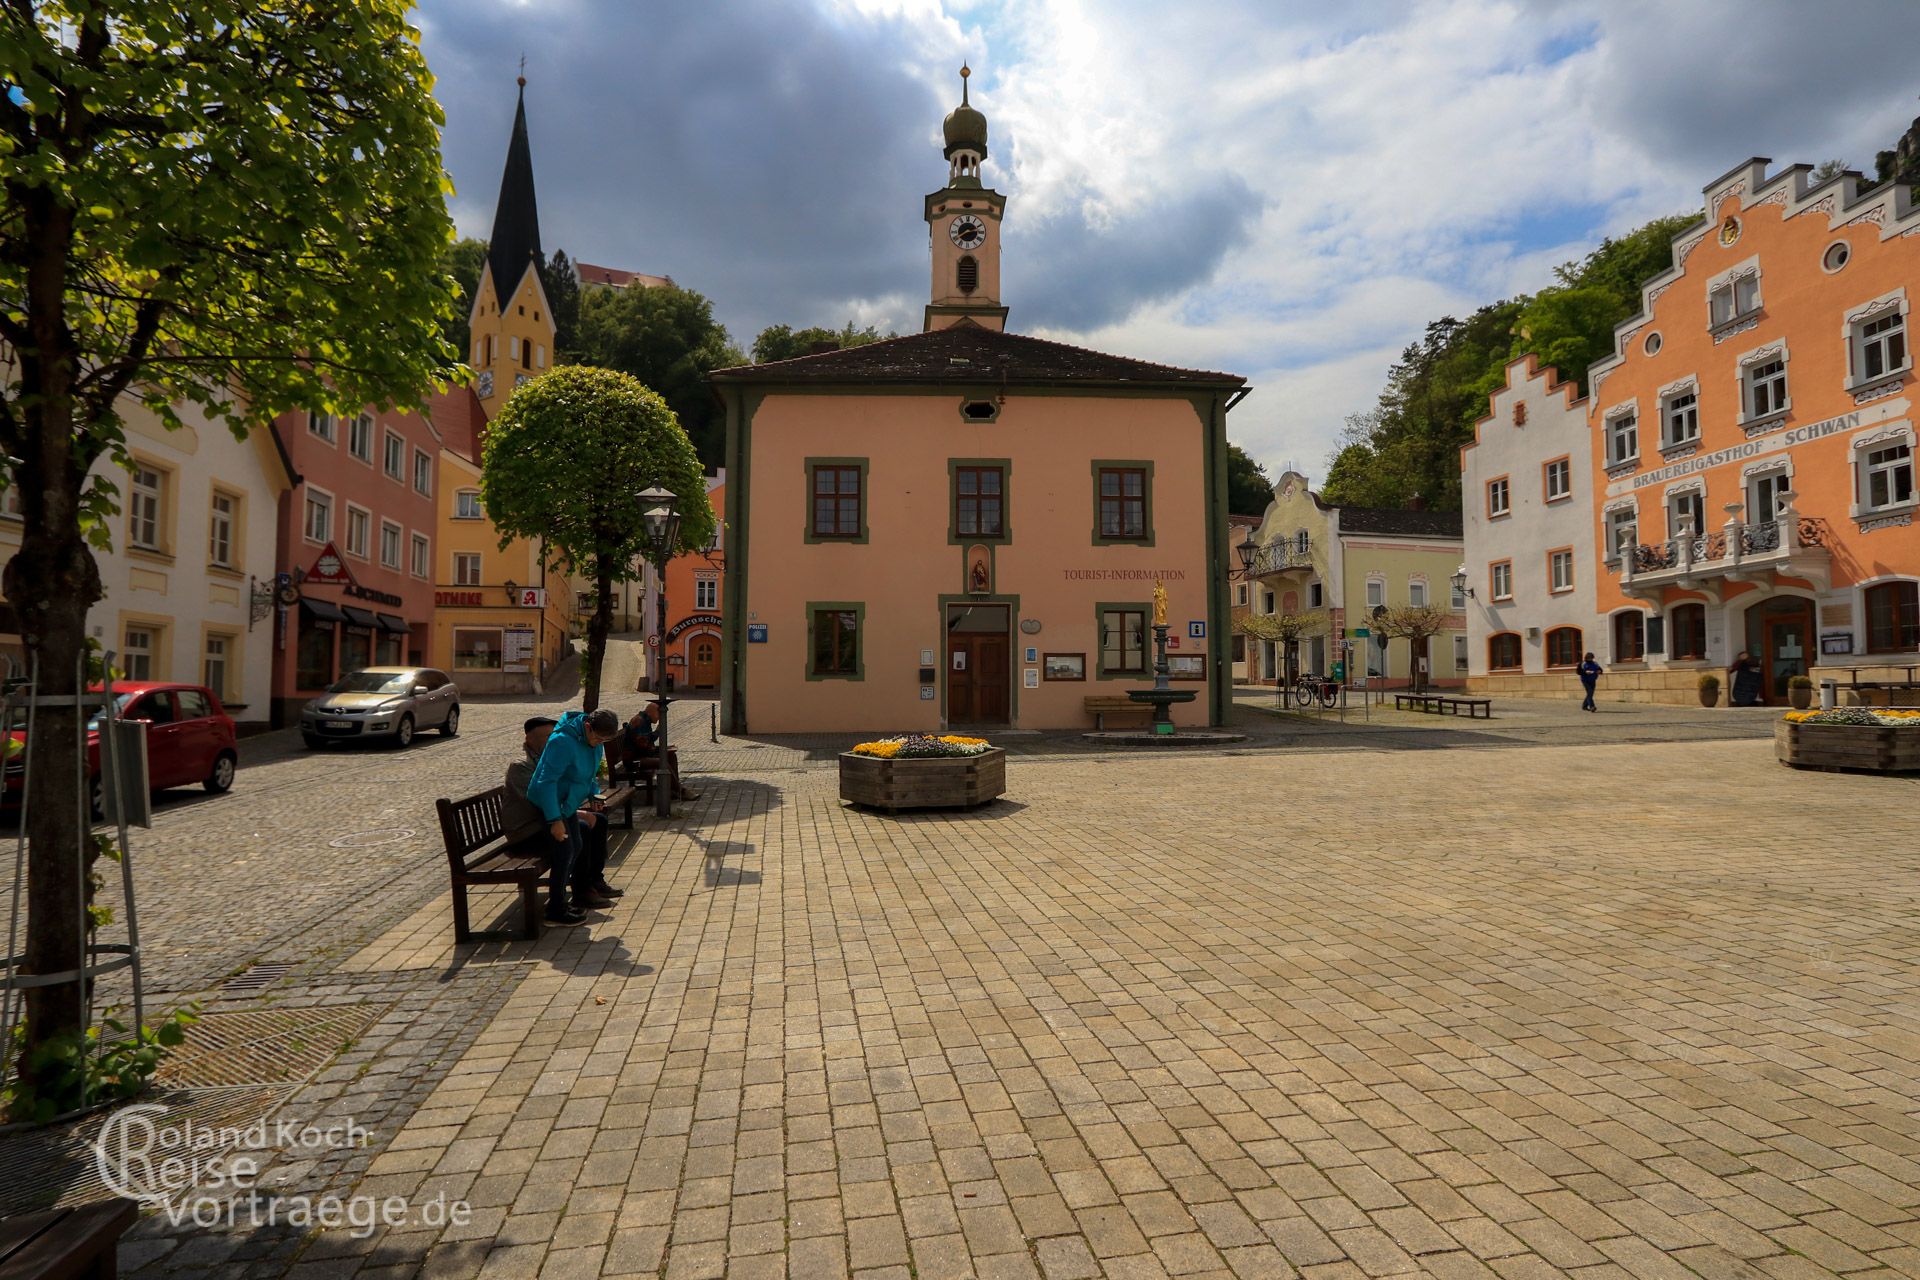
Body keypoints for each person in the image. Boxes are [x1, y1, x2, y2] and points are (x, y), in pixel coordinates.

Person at [516, 708, 622, 922]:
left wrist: (594, 795)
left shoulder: (594, 743)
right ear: (587, 727)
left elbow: (589, 775)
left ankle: (566, 900)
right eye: (598, 737)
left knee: (576, 847)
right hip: (550, 802)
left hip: (567, 803)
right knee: (564, 852)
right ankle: (555, 909)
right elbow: (546, 782)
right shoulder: (562, 742)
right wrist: (554, 820)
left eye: (604, 740)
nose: (599, 743)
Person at [622, 701, 701, 802]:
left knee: (671, 755)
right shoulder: (640, 721)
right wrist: (659, 732)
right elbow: (643, 746)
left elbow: (646, 743)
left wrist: (664, 749)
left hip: (641, 754)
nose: (659, 717)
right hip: (633, 760)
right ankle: (681, 790)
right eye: (659, 714)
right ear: (652, 712)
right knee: (662, 762)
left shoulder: (645, 720)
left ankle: (673, 790)